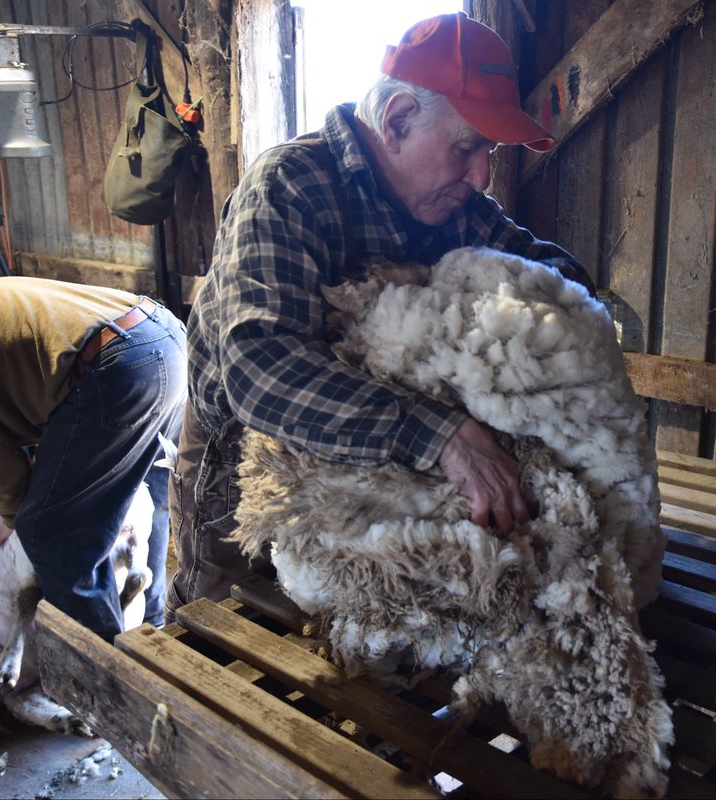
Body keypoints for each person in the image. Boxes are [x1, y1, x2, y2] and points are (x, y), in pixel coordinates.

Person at [167, 11, 595, 616]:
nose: (481, 177)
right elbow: (261, 370)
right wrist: (440, 435)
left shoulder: (452, 207)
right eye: (468, 147)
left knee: (360, 637)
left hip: (377, 474)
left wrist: (562, 314)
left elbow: (553, 271)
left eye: (490, 153)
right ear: (396, 120)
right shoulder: (289, 186)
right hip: (250, 469)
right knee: (224, 640)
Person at [0, 276, 186, 641]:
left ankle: (108, 675)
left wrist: (9, 516)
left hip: (115, 367)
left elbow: (3, 468)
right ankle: (151, 631)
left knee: (51, 533)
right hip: (161, 337)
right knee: (147, 502)